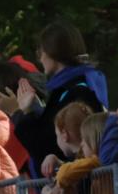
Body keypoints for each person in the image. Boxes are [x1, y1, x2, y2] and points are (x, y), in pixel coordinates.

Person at [12, 17, 108, 173]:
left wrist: (24, 113)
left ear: (52, 52)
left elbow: (48, 145)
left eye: (40, 51)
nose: (40, 58)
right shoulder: (81, 85)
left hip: (76, 183)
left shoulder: (75, 91)